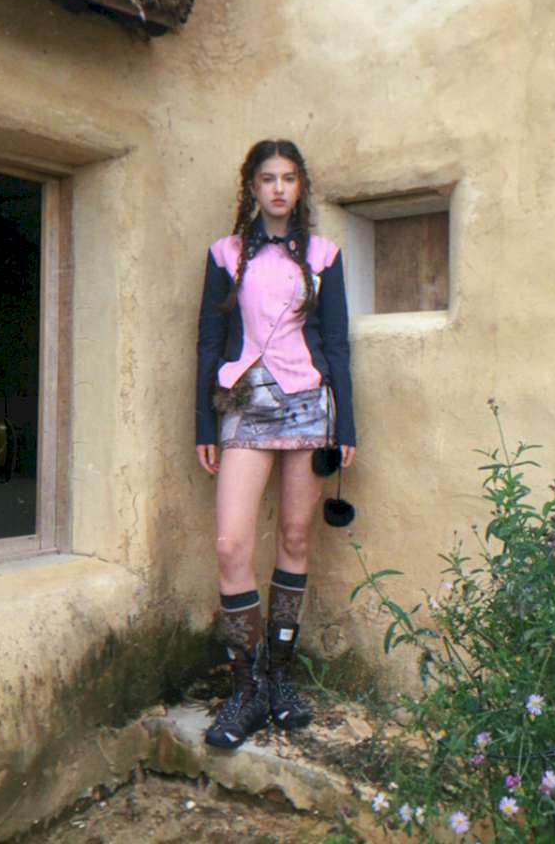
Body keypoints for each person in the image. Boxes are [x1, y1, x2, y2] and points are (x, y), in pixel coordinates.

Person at [195, 138, 356, 750]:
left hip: (309, 406)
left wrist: (346, 428)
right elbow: (207, 342)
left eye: (289, 178)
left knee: (294, 537)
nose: (279, 188)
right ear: (252, 187)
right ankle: (246, 691)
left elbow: (336, 344)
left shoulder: (323, 255)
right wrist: (203, 426)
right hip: (243, 405)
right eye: (268, 178)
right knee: (231, 544)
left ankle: (279, 680)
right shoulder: (224, 254)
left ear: (300, 186)